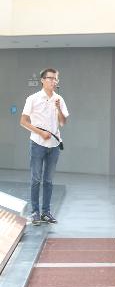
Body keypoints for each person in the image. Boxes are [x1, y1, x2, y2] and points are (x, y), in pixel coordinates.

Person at [20, 68, 69, 225]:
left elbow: (63, 122)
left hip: (54, 145)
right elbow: (23, 121)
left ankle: (46, 213)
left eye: (56, 79)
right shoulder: (32, 98)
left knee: (48, 180)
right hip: (37, 144)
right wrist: (40, 133)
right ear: (42, 80)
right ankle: (35, 212)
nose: (53, 81)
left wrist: (58, 108)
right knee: (36, 179)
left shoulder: (59, 99)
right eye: (50, 78)